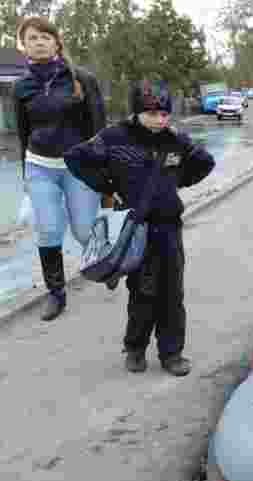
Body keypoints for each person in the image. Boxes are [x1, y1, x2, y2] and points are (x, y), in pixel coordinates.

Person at [64, 80, 216, 377]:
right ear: (136, 112)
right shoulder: (114, 137)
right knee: (143, 292)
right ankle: (135, 348)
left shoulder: (175, 139)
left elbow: (205, 162)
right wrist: (108, 187)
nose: (160, 120)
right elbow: (76, 159)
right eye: (152, 113)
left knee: (172, 293)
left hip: (168, 227)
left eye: (164, 114)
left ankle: (172, 353)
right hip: (134, 229)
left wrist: (175, 183)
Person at [14, 16, 107, 321]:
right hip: (39, 165)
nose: (38, 42)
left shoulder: (82, 79)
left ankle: (108, 264)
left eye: (44, 37)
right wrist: (26, 176)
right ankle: (56, 294)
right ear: (24, 46)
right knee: (48, 229)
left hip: (78, 166)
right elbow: (24, 133)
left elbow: (99, 129)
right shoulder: (22, 86)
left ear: (56, 42)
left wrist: (105, 172)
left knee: (83, 230)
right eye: (32, 38)